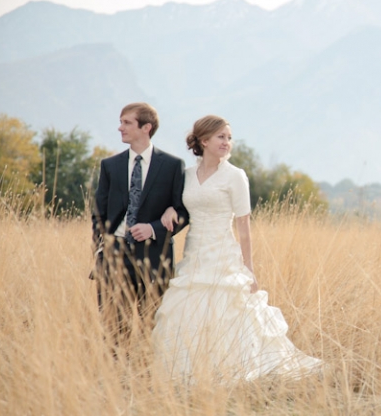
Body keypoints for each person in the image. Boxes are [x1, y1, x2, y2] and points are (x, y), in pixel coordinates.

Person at [152, 115, 322, 383]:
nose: (227, 142)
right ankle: (191, 370)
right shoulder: (186, 176)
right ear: (204, 140)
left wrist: (249, 268)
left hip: (223, 253)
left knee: (227, 310)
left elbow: (244, 226)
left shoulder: (235, 176)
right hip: (194, 252)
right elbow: (180, 206)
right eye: (221, 137)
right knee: (189, 308)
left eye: (229, 138)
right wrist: (172, 208)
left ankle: (232, 369)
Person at [92, 102, 188, 347]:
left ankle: (146, 380)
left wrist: (154, 229)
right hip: (114, 257)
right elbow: (99, 215)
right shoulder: (110, 166)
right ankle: (116, 381)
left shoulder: (172, 166)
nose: (119, 128)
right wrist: (100, 250)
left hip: (155, 258)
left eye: (127, 122)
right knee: (113, 329)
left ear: (146, 127)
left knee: (152, 328)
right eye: (121, 121)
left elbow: (183, 211)